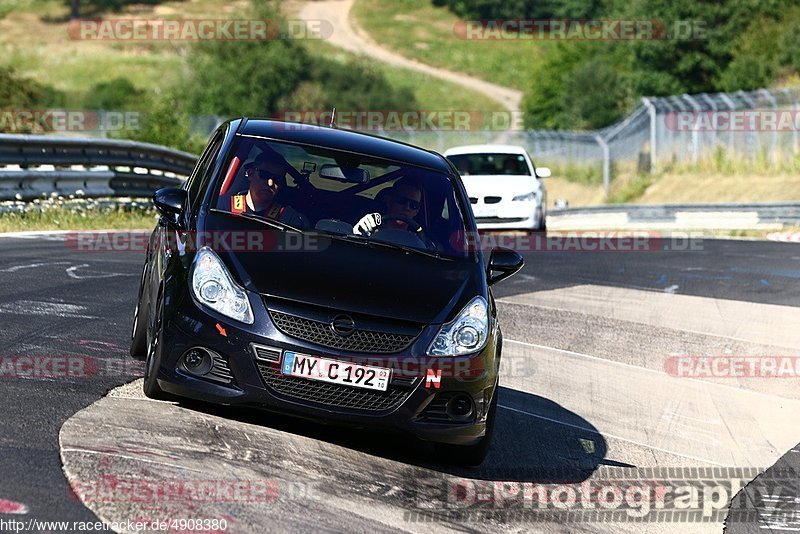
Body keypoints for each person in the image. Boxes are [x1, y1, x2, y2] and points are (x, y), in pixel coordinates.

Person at [229, 152, 309, 228]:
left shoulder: (289, 219)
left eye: (277, 178)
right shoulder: (225, 207)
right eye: (264, 175)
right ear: (250, 174)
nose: (270, 183)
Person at [353, 177, 424, 236]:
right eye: (401, 200)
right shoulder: (370, 228)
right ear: (388, 201)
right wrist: (362, 229)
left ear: (417, 211)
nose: (407, 207)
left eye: (414, 205)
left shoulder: (418, 241)